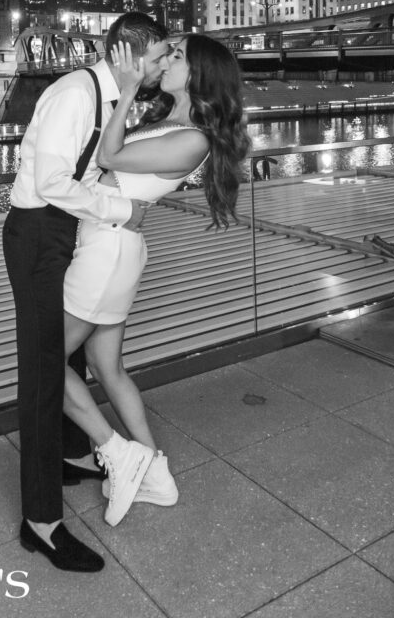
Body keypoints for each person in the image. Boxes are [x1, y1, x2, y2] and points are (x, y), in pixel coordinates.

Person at [2, 12, 170, 573]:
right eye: (157, 56)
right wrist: (123, 210)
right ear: (126, 52)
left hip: (64, 229)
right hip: (37, 235)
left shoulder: (108, 100)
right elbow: (51, 182)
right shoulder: (74, 93)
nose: (161, 66)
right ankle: (41, 523)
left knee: (70, 353)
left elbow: (92, 172)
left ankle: (72, 453)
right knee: (45, 367)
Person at [62, 34, 251, 520]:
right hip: (109, 241)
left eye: (178, 56)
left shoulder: (194, 139)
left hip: (108, 250)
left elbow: (109, 159)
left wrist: (125, 91)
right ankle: (156, 477)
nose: (167, 59)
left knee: (43, 358)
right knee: (107, 368)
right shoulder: (171, 119)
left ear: (200, 74)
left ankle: (118, 452)